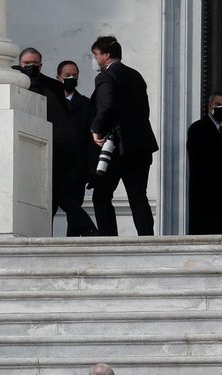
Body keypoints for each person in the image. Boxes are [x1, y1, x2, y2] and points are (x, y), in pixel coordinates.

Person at [14, 48, 97, 237]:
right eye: (27, 64)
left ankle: (87, 229)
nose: (31, 67)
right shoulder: (44, 85)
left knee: (61, 196)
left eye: (35, 64)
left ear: (41, 65)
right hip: (49, 150)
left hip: (60, 152)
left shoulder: (50, 88)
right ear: (20, 64)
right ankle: (83, 229)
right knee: (54, 198)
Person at [88, 35, 159, 237]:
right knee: (138, 196)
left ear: (106, 55)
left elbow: (106, 105)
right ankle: (147, 238)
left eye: (95, 55)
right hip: (142, 145)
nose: (94, 59)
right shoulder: (135, 75)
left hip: (117, 147)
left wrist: (96, 128)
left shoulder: (106, 76)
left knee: (101, 195)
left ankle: (108, 239)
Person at [186, 91, 222, 235]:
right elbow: (198, 163)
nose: (221, 109)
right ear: (209, 106)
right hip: (207, 195)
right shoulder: (197, 129)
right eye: (218, 105)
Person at [56, 59, 98, 237]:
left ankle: (74, 241)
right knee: (62, 201)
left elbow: (90, 139)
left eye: (75, 75)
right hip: (56, 165)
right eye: (67, 75)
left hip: (78, 166)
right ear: (58, 77)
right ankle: (89, 229)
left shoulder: (85, 104)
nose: (71, 78)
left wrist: (91, 169)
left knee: (74, 205)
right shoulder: (51, 101)